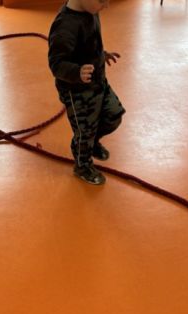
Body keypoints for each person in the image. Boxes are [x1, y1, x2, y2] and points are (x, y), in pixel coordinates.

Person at [48, 0, 125, 185]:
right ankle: (82, 165)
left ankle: (92, 142)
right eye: (102, 0)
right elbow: (56, 64)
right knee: (84, 132)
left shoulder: (91, 10)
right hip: (77, 92)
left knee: (114, 115)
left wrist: (101, 55)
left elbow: (89, 43)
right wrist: (77, 72)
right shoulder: (65, 26)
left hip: (98, 82)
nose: (106, 5)